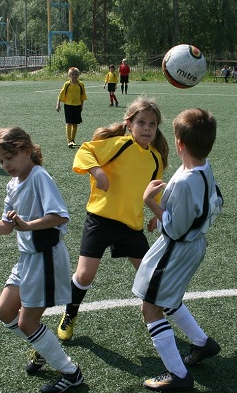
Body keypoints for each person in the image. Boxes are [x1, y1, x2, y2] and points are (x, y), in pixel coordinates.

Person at [0, 126, 84, 393]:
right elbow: (6, 225)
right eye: (1, 161)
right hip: (27, 259)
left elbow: (60, 216)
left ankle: (70, 372)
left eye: (9, 158)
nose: (5, 165)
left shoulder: (39, 177)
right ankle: (43, 347)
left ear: (26, 150)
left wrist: (28, 224)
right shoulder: (13, 184)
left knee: (27, 323)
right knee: (4, 311)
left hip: (45, 258)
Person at [51, 97, 170, 348]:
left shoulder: (156, 158)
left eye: (152, 124)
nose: (147, 128)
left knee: (150, 275)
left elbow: (153, 188)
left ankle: (154, 316)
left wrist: (154, 214)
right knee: (84, 275)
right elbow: (85, 150)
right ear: (129, 124)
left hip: (131, 226)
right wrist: (97, 171)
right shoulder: (118, 145)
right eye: (141, 122)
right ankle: (69, 315)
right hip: (100, 220)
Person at [133, 108, 223, 392]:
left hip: (177, 248)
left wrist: (152, 204)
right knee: (167, 298)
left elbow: (176, 229)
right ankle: (201, 343)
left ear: (181, 144)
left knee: (150, 307)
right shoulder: (202, 168)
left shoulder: (186, 180)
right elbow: (215, 201)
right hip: (193, 245)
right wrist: (163, 212)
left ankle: (178, 375)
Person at [56, 67, 87, 148]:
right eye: (72, 74)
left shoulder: (81, 84)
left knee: (75, 123)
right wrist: (58, 104)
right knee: (69, 122)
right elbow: (61, 94)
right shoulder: (67, 84)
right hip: (68, 106)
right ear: (69, 75)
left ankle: (73, 140)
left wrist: (81, 106)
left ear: (78, 75)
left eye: (76, 74)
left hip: (77, 106)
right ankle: (69, 140)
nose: (74, 76)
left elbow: (82, 96)